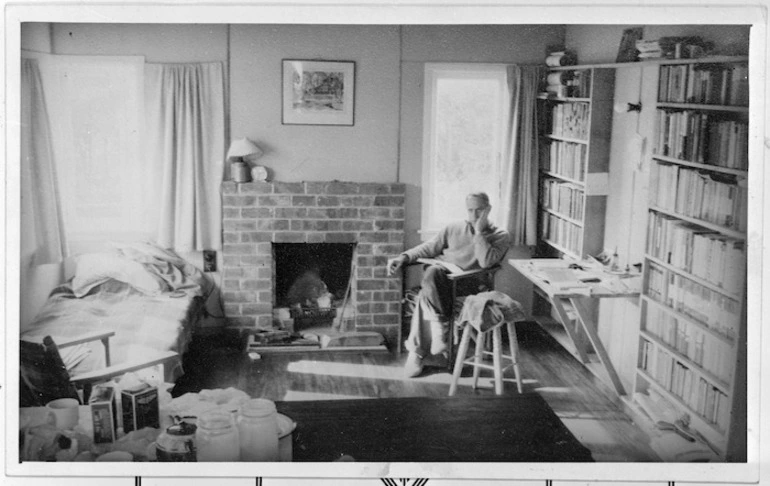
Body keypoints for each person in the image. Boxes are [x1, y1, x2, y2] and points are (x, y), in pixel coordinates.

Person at [387, 192, 511, 377]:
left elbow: (486, 262)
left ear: (488, 210)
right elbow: (429, 247)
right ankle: (439, 333)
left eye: (479, 211)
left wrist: (479, 233)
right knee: (432, 274)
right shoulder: (453, 227)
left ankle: (418, 353)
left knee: (425, 295)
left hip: (471, 285)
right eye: (470, 210)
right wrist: (403, 257)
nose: (474, 215)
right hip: (442, 281)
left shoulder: (500, 235)